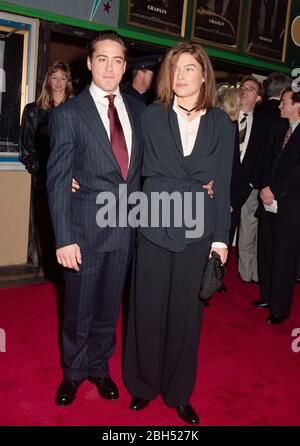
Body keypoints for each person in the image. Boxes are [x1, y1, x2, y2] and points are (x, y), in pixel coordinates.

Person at [123, 42, 235, 425]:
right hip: (153, 224)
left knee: (186, 316)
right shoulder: (152, 116)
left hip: (197, 231)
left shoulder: (221, 123)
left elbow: (222, 183)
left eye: (190, 68)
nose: (182, 75)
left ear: (204, 75)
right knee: (146, 309)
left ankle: (178, 392)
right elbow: (137, 170)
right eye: (175, 68)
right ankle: (142, 385)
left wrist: (221, 240)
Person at [47, 31, 144, 406]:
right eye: (102, 58)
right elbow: (57, 181)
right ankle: (73, 372)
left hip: (125, 231)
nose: (109, 67)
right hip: (83, 231)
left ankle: (99, 368)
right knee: (78, 309)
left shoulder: (139, 111)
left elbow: (147, 170)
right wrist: (63, 237)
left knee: (108, 308)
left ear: (125, 66)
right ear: (88, 63)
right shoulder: (68, 114)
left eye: (117, 60)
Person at [20, 61, 74, 277]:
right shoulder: (34, 110)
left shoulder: (76, 108)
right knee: (44, 221)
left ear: (68, 81)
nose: (59, 82)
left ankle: (64, 265)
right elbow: (26, 148)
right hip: (44, 178)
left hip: (72, 177)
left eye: (63, 77)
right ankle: (44, 264)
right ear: (48, 81)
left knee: (67, 221)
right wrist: (39, 171)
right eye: (55, 77)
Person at [255, 88, 300, 323]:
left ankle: (280, 309)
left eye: (284, 102)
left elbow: (297, 173)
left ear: (297, 105)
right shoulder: (281, 129)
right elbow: (268, 162)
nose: (280, 106)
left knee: (284, 256)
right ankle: (267, 297)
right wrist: (264, 189)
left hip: (291, 205)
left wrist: (275, 190)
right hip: (268, 199)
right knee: (267, 250)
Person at [230, 76, 264, 282]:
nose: (245, 91)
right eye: (243, 87)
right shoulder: (226, 119)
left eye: (250, 89)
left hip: (249, 188)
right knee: (224, 232)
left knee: (248, 233)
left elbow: (261, 158)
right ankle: (216, 273)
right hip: (226, 187)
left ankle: (246, 274)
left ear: (258, 98)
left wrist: (252, 183)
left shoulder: (262, 126)